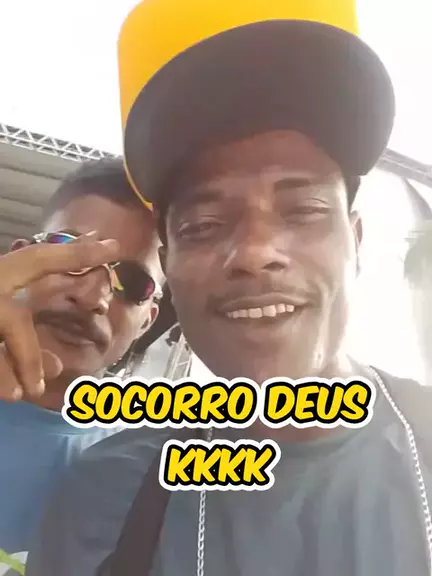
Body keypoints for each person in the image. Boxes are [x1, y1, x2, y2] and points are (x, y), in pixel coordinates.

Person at [26, 1, 432, 575]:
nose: (256, 253)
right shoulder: (106, 495)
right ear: (170, 266)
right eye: (204, 224)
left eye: (302, 210)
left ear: (356, 240)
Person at [0, 157, 163, 573]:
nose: (92, 297)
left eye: (132, 283)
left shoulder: (154, 477)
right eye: (69, 254)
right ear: (20, 261)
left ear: (147, 321)